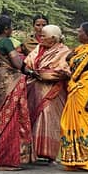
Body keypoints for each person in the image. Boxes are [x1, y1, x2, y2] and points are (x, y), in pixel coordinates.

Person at [0, 15, 34, 171]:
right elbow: (17, 64)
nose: (12, 30)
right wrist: (29, 68)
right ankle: (7, 161)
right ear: (6, 29)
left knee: (0, 120)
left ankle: (1, 156)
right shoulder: (6, 42)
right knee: (10, 121)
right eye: (11, 27)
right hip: (9, 86)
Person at [59, 22, 88, 171]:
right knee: (70, 125)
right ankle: (76, 159)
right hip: (77, 92)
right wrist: (70, 55)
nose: (77, 34)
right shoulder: (81, 50)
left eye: (80, 32)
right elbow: (69, 59)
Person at [23, 24, 70, 162]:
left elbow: (64, 72)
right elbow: (28, 63)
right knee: (34, 118)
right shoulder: (39, 49)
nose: (41, 38)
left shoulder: (64, 51)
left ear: (53, 38)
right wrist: (36, 73)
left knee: (49, 117)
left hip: (53, 92)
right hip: (35, 89)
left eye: (44, 36)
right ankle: (34, 152)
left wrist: (45, 75)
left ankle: (51, 154)